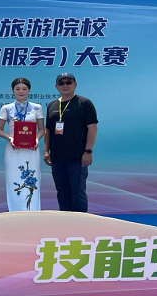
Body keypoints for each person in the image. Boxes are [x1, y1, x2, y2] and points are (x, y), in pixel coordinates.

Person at [44, 73, 98, 212]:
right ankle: (66, 221)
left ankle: (80, 222)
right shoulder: (52, 105)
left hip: (77, 157)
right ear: (56, 86)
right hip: (57, 158)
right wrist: (45, 150)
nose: (65, 85)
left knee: (77, 192)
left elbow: (92, 128)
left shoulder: (84, 103)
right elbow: (48, 130)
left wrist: (88, 151)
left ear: (75, 84)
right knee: (62, 192)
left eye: (68, 82)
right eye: (61, 83)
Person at [0, 78, 45, 211]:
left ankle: (32, 212)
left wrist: (36, 139)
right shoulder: (6, 108)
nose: (21, 91)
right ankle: (15, 212)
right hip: (13, 149)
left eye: (24, 88)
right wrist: (10, 138)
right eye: (17, 89)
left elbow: (42, 130)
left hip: (32, 149)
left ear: (29, 90)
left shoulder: (37, 107)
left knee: (33, 180)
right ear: (12, 90)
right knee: (14, 179)